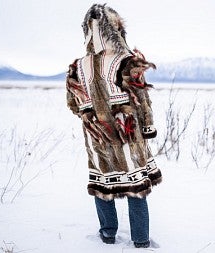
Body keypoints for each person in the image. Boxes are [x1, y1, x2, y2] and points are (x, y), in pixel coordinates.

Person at [65, 4, 162, 248]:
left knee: (102, 183)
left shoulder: (77, 66)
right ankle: (140, 240)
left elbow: (72, 103)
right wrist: (147, 127)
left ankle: (107, 235)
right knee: (136, 183)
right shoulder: (127, 61)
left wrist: (92, 117)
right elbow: (142, 99)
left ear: (88, 30)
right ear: (115, 29)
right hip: (127, 133)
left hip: (97, 136)